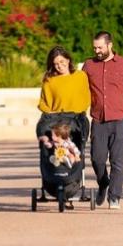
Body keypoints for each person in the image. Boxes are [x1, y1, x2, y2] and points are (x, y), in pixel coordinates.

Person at [82, 31, 123, 210]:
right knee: (97, 159)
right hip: (98, 121)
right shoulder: (88, 65)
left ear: (109, 45)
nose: (97, 51)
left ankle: (114, 196)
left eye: (100, 47)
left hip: (120, 121)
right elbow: (81, 91)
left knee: (117, 161)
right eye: (94, 48)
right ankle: (103, 183)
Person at [35, 46, 91, 197]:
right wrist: (51, 114)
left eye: (62, 61)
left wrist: (76, 112)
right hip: (55, 121)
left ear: (68, 59)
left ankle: (72, 181)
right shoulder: (49, 80)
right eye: (56, 63)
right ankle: (52, 180)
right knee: (51, 149)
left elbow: (86, 98)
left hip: (75, 119)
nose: (60, 65)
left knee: (75, 147)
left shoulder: (80, 76)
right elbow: (44, 102)